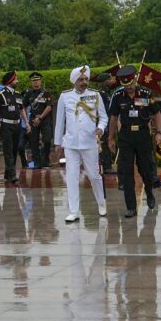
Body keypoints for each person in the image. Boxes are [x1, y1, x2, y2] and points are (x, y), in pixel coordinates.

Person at [107, 65, 161, 218]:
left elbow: (157, 113)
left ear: (135, 79)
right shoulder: (118, 96)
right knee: (126, 173)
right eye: (126, 85)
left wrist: (159, 132)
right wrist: (111, 138)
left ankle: (150, 194)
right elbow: (113, 117)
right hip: (125, 136)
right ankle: (131, 207)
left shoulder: (146, 94)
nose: (129, 88)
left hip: (143, 135)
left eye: (131, 84)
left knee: (145, 169)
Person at [54, 66, 108, 223]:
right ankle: (74, 211)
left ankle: (101, 203)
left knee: (94, 175)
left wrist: (101, 128)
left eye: (85, 79)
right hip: (71, 143)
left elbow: (103, 117)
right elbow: (60, 122)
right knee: (71, 177)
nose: (84, 82)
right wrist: (57, 142)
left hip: (89, 142)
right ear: (74, 81)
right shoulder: (65, 96)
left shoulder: (95, 95)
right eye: (80, 80)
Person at [0, 71, 30, 184]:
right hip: (6, 125)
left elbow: (21, 109)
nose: (17, 81)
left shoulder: (17, 94)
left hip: (17, 125)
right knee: (8, 150)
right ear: (10, 81)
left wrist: (27, 122)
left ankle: (8, 174)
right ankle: (12, 175)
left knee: (14, 150)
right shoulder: (0, 94)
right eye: (15, 79)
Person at [23, 72, 54, 168]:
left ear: (40, 81)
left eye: (37, 80)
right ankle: (36, 162)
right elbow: (22, 106)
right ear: (31, 82)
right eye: (34, 81)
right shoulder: (28, 94)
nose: (36, 83)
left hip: (44, 119)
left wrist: (40, 118)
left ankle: (46, 160)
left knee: (47, 140)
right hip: (33, 119)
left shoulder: (46, 93)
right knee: (33, 141)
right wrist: (27, 119)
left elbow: (49, 107)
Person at [95, 72, 118, 174]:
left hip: (108, 121)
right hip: (103, 122)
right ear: (103, 82)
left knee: (107, 142)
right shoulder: (101, 94)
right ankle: (106, 166)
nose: (110, 81)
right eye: (108, 80)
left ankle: (107, 164)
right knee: (104, 144)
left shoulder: (108, 92)